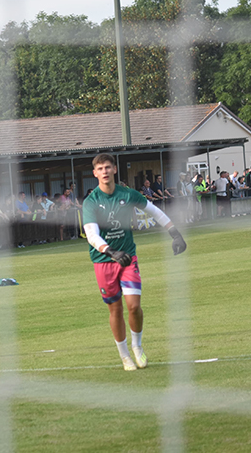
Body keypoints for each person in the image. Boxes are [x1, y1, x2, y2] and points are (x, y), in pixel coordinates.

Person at [82, 153, 186, 371]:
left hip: (128, 257)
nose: (105, 172)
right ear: (94, 173)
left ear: (114, 170)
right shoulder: (91, 202)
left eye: (108, 167)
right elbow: (91, 235)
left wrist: (175, 233)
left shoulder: (127, 194)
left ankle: (137, 347)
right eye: (100, 169)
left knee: (134, 306)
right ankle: (125, 355)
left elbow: (154, 211)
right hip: (104, 261)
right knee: (115, 309)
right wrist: (110, 251)